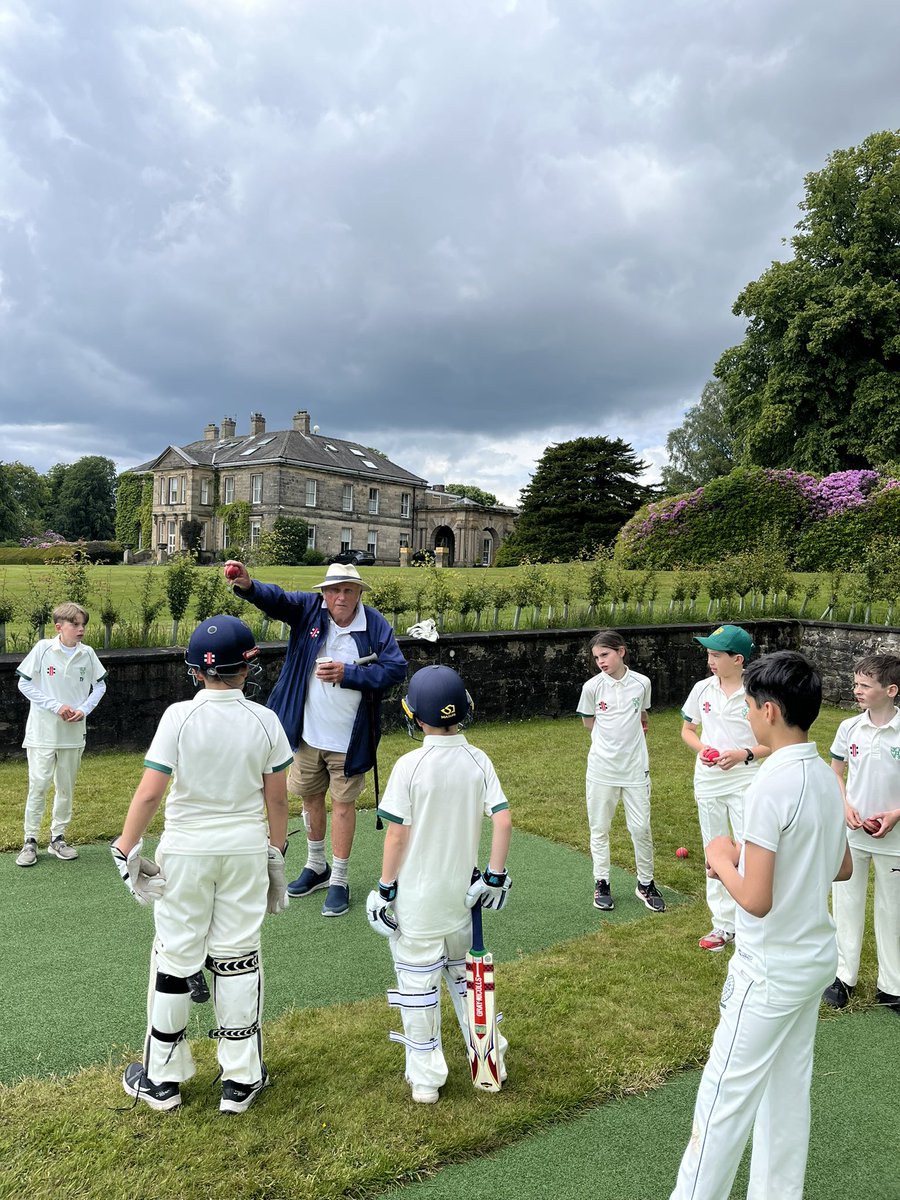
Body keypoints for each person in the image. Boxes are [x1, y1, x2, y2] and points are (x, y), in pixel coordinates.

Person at [670, 650, 852, 1200]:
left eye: (749, 707)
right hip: (811, 962)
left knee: (721, 1100)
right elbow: (841, 865)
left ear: (769, 711)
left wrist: (719, 854)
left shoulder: (771, 785)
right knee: (786, 1091)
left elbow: (755, 898)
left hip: (768, 970)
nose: (746, 716)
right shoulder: (823, 775)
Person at [111, 615, 292, 1114]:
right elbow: (277, 801)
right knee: (237, 958)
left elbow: (150, 793)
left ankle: (161, 1078)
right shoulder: (266, 721)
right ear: (247, 667)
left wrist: (125, 848)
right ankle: (241, 1078)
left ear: (196, 671)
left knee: (174, 958)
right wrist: (275, 851)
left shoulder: (177, 717)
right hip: (244, 850)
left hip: (187, 853)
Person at [226, 559, 407, 918]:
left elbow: (396, 669)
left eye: (348, 590)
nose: (341, 597)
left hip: (349, 740)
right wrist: (248, 585)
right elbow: (276, 599)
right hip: (307, 734)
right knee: (309, 799)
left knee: (342, 806)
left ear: (358, 593)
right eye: (334, 589)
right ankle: (316, 866)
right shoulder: (310, 610)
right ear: (323, 593)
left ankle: (339, 879)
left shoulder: (375, 624)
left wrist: (350, 673)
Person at [366, 665, 512, 1104]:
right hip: (463, 903)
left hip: (417, 906)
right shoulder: (477, 759)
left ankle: (427, 1079)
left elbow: (397, 834)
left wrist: (384, 889)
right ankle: (492, 1058)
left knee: (417, 990)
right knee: (467, 984)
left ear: (413, 716)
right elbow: (502, 819)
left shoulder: (410, 764)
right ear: (464, 707)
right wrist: (495, 876)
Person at [680, 624, 769, 950]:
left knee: (751, 850)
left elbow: (772, 743)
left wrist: (742, 754)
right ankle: (723, 926)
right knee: (715, 852)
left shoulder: (758, 691)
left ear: (738, 659)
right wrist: (704, 750)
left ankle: (753, 925)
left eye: (717, 655)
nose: (710, 660)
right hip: (708, 781)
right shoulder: (702, 689)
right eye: (709, 654)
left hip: (747, 780)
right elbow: (688, 731)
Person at [822, 653, 900, 1015]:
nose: (857, 690)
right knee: (846, 904)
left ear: (891, 690)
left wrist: (896, 814)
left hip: (895, 839)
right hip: (852, 834)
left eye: (865, 686)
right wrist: (845, 807)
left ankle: (892, 986)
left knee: (892, 910)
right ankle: (843, 977)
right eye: (856, 684)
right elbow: (835, 773)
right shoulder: (848, 728)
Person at [576, 629, 665, 913]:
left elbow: (642, 715)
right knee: (599, 828)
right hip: (601, 769)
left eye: (605, 655)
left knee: (640, 828)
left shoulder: (642, 683)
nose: (601, 661)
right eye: (597, 657)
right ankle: (601, 882)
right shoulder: (592, 687)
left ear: (621, 651)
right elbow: (589, 723)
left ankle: (645, 884)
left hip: (636, 769)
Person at [15, 601, 107, 867]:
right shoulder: (43, 649)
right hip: (42, 733)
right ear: (59, 627)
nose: (81, 629)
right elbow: (24, 683)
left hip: (72, 734)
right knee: (39, 786)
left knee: (65, 788)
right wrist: (56, 706)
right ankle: (30, 840)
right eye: (75, 624)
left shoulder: (88, 654)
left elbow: (99, 686)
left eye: (83, 625)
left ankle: (58, 838)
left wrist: (84, 709)